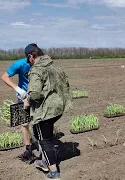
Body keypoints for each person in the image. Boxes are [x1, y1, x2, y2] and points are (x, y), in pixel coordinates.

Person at [22, 43, 71, 180]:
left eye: (29, 59)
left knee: (44, 140)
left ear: (31, 56)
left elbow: (36, 93)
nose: (29, 62)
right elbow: (65, 85)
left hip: (46, 111)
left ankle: (54, 173)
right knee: (46, 136)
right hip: (58, 108)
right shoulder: (56, 67)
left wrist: (27, 99)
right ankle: (45, 161)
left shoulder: (37, 70)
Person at [1, 49, 35, 161]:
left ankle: (42, 144)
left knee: (39, 121)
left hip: (38, 96)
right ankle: (28, 149)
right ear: (29, 56)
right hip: (24, 96)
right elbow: (4, 76)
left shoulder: (41, 64)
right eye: (34, 56)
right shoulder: (19, 64)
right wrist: (18, 90)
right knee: (24, 123)